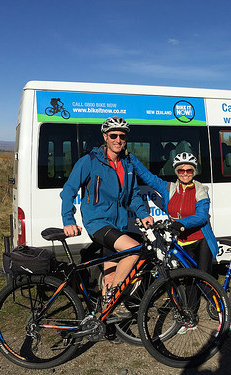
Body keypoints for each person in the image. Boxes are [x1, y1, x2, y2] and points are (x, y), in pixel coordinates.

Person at [129, 151, 231, 332]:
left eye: (189, 170)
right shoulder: (169, 188)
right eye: (181, 170)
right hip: (181, 243)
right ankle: (190, 318)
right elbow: (147, 176)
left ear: (194, 171)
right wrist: (130, 157)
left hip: (201, 240)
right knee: (187, 280)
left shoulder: (200, 190)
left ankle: (227, 316)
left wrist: (179, 224)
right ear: (176, 171)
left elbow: (201, 217)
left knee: (204, 280)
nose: (185, 173)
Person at [60, 116, 153, 318]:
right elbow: (69, 190)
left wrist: (144, 214)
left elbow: (134, 195)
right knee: (134, 250)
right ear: (105, 137)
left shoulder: (127, 164)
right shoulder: (90, 161)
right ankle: (113, 298)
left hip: (117, 224)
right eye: (113, 135)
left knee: (110, 275)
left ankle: (105, 322)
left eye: (122, 136)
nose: (118, 139)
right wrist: (68, 220)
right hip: (98, 222)